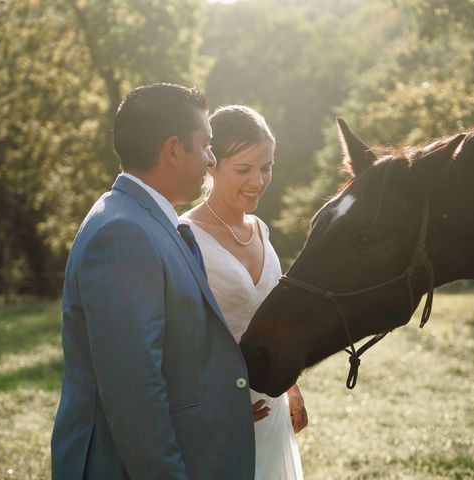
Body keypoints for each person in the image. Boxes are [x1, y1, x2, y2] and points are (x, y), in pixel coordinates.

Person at [51, 84, 260, 479]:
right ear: (172, 150)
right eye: (206, 144)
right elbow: (134, 392)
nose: (211, 158)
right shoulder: (123, 234)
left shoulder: (144, 219)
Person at [181, 105, 306, 480]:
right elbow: (179, 336)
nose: (258, 181)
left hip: (271, 404)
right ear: (211, 164)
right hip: (215, 413)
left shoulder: (261, 231)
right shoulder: (184, 237)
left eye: (266, 167)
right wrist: (217, 401)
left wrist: (292, 387)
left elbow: (274, 321)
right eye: (243, 169)